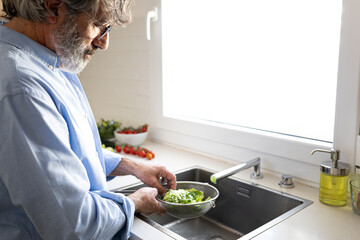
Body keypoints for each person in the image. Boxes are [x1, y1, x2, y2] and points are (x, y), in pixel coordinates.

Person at [0, 0, 177, 239]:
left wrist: (133, 167)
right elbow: (74, 225)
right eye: (98, 25)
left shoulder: (49, 59)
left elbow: (68, 151)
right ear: (54, 9)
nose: (104, 43)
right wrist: (134, 202)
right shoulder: (22, 86)